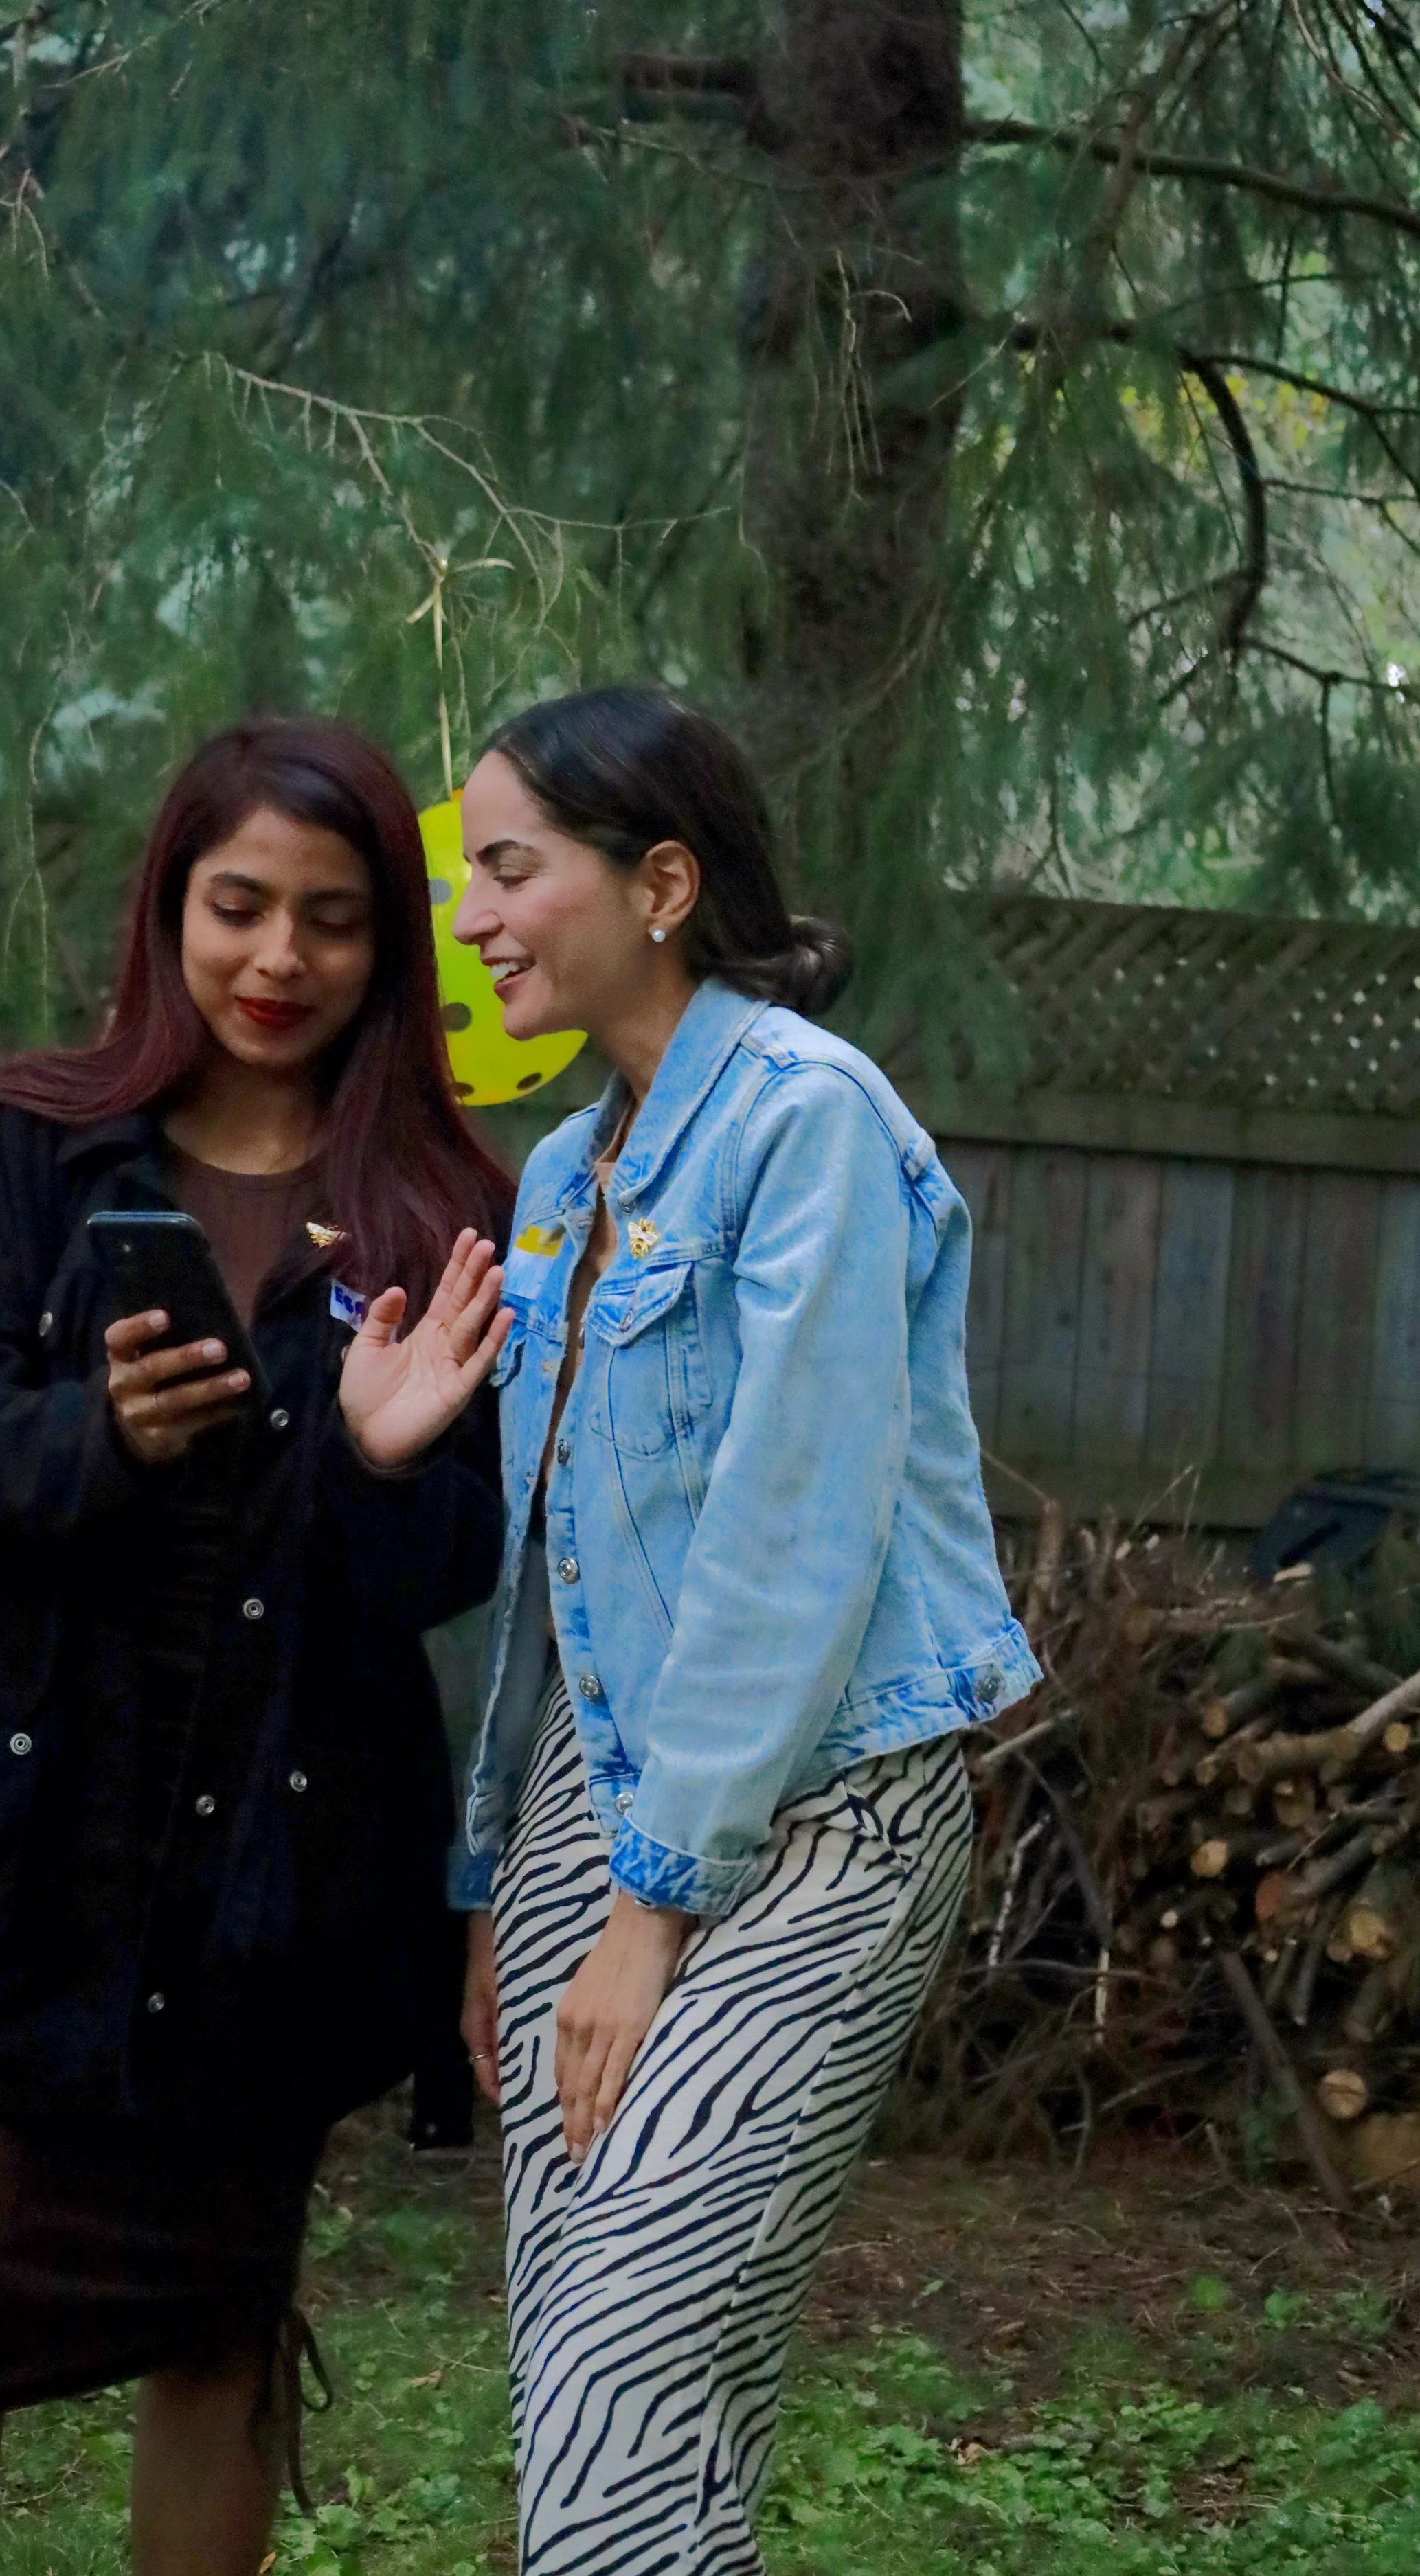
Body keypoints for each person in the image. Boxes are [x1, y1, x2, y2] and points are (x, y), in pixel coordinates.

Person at [0, 716, 513, 2576]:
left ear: (390, 944)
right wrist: (102, 1437)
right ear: (168, 908)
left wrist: (381, 1459)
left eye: (334, 919)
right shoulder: (32, 1148)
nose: (280, 958)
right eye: (239, 905)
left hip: (270, 1863)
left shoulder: (441, 1209)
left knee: (214, 2321)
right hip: (9, 1839)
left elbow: (458, 1560)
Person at [440, 685, 1041, 2573]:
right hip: (590, 1797)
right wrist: (502, 1882)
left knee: (627, 2340)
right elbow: (560, 1569)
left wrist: (649, 1906)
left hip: (822, 1803)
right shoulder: (564, 1176)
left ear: (663, 882)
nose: (471, 915)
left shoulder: (807, 1121)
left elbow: (793, 1529)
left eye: (509, 868)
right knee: (600, 2382)